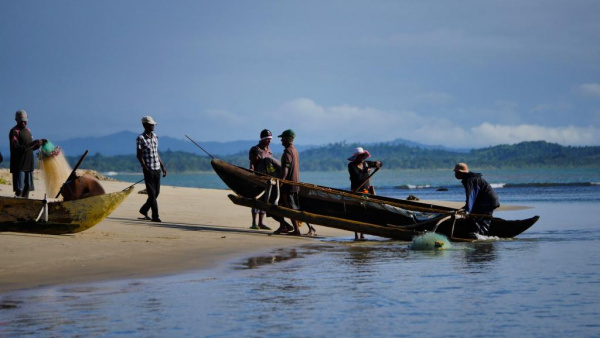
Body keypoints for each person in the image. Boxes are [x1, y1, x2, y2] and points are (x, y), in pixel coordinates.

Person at [273, 129, 315, 236]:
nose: (281, 140)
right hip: (295, 184)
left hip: (289, 185)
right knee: (294, 207)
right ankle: (291, 227)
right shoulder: (294, 150)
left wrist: (280, 182)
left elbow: (285, 171)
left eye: (282, 138)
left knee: (290, 208)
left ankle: (296, 230)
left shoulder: (287, 152)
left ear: (288, 139)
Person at [453, 162, 500, 237]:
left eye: (456, 172)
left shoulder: (470, 180)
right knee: (483, 219)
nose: (455, 174)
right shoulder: (470, 179)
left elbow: (472, 195)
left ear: (460, 172)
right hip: (488, 201)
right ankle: (483, 236)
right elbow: (472, 197)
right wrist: (466, 207)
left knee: (475, 217)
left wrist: (467, 210)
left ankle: (478, 236)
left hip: (487, 202)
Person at [136, 116, 167, 222]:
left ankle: (144, 209)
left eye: (153, 124)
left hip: (157, 168)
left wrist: (163, 166)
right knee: (152, 194)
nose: (153, 126)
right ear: (144, 125)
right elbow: (139, 155)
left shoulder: (155, 136)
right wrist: (144, 167)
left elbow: (156, 153)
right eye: (150, 124)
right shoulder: (141, 138)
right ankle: (155, 216)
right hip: (148, 169)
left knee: (156, 192)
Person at [9, 110, 46, 198]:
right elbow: (16, 148)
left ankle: (25, 206)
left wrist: (39, 144)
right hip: (19, 166)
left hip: (28, 164)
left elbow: (30, 149)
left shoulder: (28, 131)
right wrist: (33, 143)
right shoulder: (14, 132)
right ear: (16, 120)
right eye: (21, 120)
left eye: (24, 120)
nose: (23, 122)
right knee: (20, 189)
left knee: (27, 187)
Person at [348, 147, 382, 240]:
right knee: (356, 213)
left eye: (362, 156)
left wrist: (378, 164)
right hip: (356, 191)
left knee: (364, 213)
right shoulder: (351, 166)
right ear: (356, 157)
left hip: (365, 191)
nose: (361, 158)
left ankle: (362, 233)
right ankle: (356, 234)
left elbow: (377, 163)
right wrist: (366, 171)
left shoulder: (366, 164)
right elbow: (358, 178)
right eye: (359, 156)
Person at [248, 129, 275, 230]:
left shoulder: (269, 151)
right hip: (257, 178)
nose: (269, 141)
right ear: (263, 139)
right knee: (256, 199)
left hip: (267, 179)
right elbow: (252, 164)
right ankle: (254, 223)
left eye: (270, 139)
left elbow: (271, 165)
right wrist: (252, 173)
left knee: (264, 200)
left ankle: (261, 223)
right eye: (267, 139)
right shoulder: (255, 149)